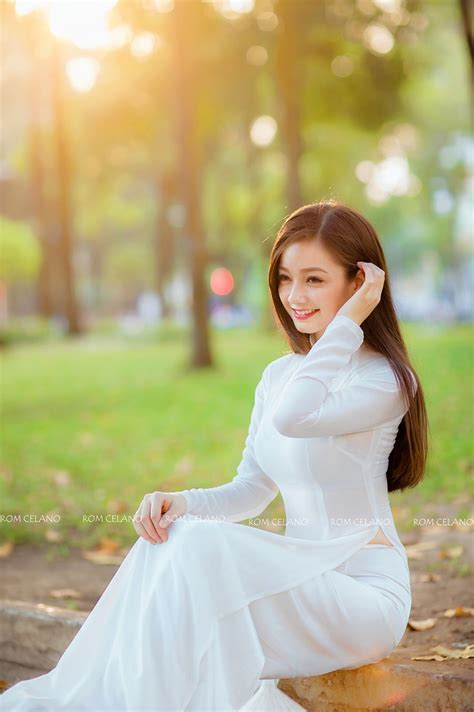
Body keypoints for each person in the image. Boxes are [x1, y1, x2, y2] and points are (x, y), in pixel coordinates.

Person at [1, 200, 429, 711]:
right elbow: (250, 490)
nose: (294, 296)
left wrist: (348, 324)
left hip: (362, 596)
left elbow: (295, 416)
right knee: (177, 539)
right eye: (286, 278)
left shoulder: (385, 380)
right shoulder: (278, 376)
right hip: (297, 581)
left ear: (358, 283)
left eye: (315, 279)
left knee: (202, 553)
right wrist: (179, 502)